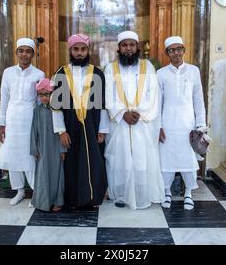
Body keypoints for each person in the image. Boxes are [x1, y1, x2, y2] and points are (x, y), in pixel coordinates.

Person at [104, 31, 165, 210]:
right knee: (119, 160)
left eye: (131, 45)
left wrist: (138, 113)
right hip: (119, 124)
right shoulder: (110, 68)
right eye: (125, 45)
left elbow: (154, 94)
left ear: (137, 47)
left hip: (142, 124)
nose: (128, 48)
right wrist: (122, 113)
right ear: (119, 48)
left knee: (142, 160)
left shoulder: (148, 67)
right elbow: (108, 95)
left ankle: (142, 194)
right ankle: (121, 194)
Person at [50, 34, 108, 209]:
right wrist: (61, 131)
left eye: (83, 49)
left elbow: (103, 105)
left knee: (94, 161)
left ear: (88, 51)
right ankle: (73, 199)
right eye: (76, 49)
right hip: (70, 126)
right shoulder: (61, 73)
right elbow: (56, 107)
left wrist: (102, 129)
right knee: (72, 163)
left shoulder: (96, 73)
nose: (80, 53)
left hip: (92, 125)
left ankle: (93, 198)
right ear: (70, 50)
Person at [157, 36, 206, 210]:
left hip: (188, 125)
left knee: (188, 160)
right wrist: (158, 126)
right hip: (168, 124)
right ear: (167, 53)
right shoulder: (161, 74)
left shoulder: (193, 71)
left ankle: (188, 194)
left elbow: (198, 100)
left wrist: (201, 126)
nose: (176, 53)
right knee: (166, 160)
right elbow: (158, 102)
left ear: (184, 50)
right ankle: (167, 192)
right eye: (172, 50)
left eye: (179, 49)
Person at [0, 38, 45, 206]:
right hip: (11, 120)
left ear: (33, 54)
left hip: (29, 121)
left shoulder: (39, 74)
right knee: (13, 156)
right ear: (16, 52)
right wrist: (1, 124)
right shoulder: (8, 72)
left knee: (30, 156)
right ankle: (19, 191)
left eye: (28, 51)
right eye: (21, 50)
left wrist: (39, 127)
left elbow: (40, 103)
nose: (24, 54)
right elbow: (4, 99)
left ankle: (36, 192)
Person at [30, 78, 65, 212]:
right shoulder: (37, 110)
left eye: (47, 94)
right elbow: (34, 130)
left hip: (56, 148)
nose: (44, 98)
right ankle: (44, 202)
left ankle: (58, 201)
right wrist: (34, 149)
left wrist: (63, 149)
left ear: (52, 94)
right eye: (41, 95)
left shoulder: (57, 109)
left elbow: (62, 130)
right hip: (43, 148)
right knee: (43, 174)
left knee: (57, 175)